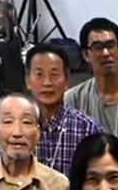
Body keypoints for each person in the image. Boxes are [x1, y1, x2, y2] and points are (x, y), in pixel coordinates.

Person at [28, 40, 102, 179]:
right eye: (39, 74)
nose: (47, 83)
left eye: (54, 74)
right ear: (27, 81)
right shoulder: (18, 128)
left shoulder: (88, 129)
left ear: (67, 81)